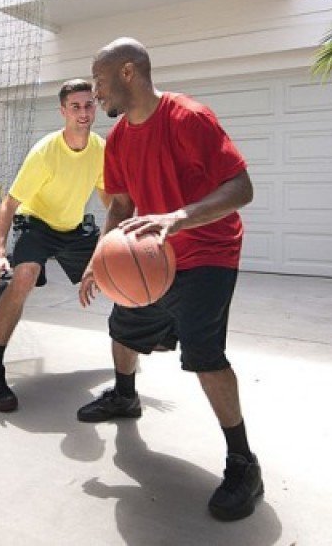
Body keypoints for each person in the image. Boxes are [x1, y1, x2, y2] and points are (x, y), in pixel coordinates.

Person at [78, 37, 262, 522]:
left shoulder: (188, 118)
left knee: (204, 356)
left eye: (99, 81)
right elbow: (120, 206)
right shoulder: (119, 138)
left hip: (208, 252)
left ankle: (244, 463)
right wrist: (100, 256)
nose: (96, 94)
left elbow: (242, 187)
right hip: (151, 257)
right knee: (123, 329)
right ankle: (125, 395)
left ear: (128, 72)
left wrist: (177, 218)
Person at [0, 79, 109, 413]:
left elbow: (110, 198)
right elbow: (9, 203)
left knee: (119, 269)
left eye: (88, 105)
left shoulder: (100, 149)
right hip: (37, 224)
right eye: (75, 106)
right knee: (24, 278)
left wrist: (122, 238)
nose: (83, 112)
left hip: (74, 228)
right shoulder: (45, 152)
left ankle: (152, 330)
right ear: (63, 111)